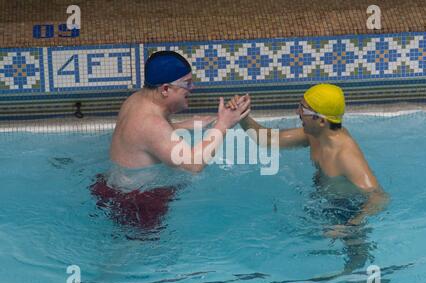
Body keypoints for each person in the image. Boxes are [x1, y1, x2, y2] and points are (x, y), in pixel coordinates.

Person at [91, 51, 250, 231]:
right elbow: (193, 165)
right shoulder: (153, 124)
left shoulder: (137, 100)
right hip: (136, 202)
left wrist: (186, 125)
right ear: (165, 89)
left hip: (111, 186)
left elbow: (143, 136)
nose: (193, 88)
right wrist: (223, 124)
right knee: (137, 253)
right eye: (187, 83)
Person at [229, 84, 389, 236]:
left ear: (321, 121)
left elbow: (379, 197)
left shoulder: (345, 156)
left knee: (355, 257)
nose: (297, 112)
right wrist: (242, 116)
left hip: (348, 209)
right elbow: (266, 139)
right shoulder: (315, 134)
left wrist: (351, 226)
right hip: (322, 202)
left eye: (303, 109)